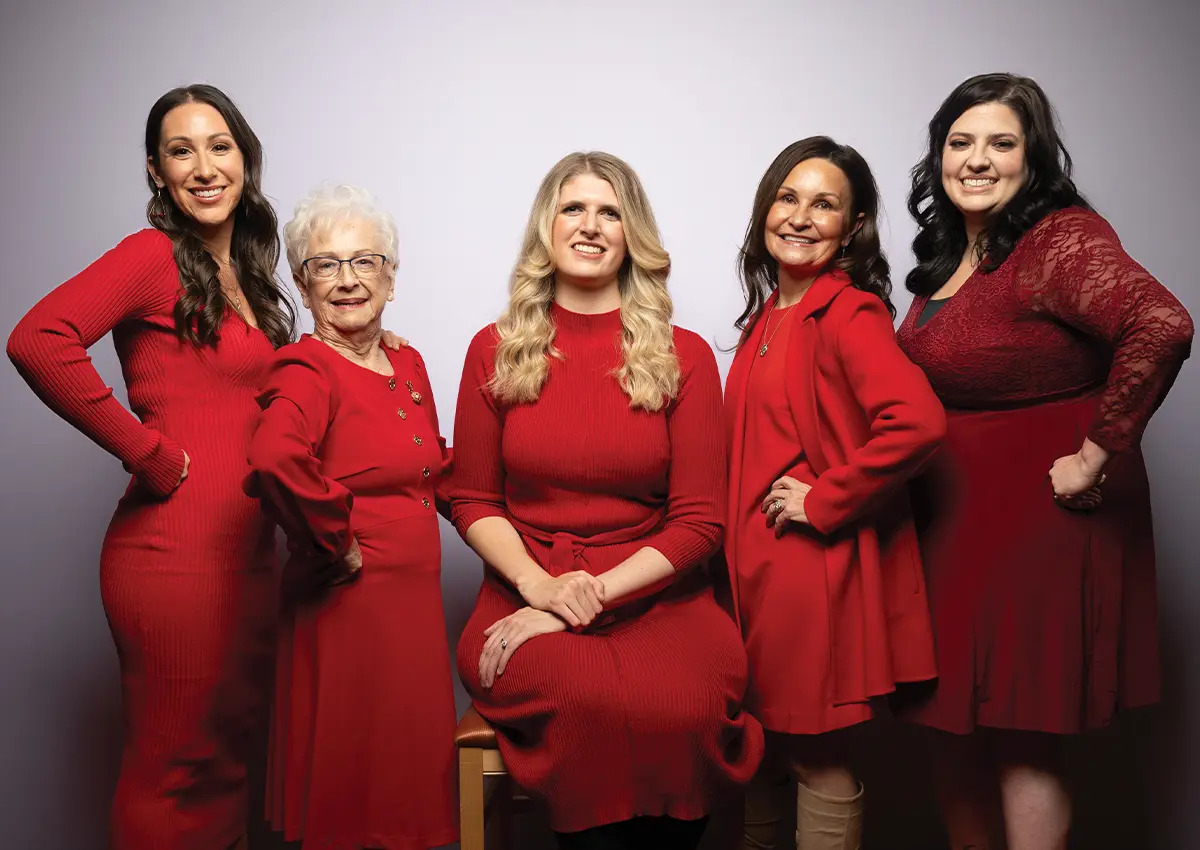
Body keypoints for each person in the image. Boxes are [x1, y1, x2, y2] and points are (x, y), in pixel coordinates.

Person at [895, 72, 1194, 850]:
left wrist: (1096, 457)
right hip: (953, 520)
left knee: (1021, 731)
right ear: (939, 156)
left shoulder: (1060, 238)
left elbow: (1161, 323)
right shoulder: (951, 256)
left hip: (1033, 521)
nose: (978, 159)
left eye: (1002, 142)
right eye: (961, 142)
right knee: (948, 726)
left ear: (1035, 158)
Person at [6, 84, 295, 850]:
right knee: (174, 767)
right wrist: (148, 452)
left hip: (250, 556)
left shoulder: (251, 276)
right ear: (156, 172)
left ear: (245, 159)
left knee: (229, 763)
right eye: (181, 150)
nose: (204, 166)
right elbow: (38, 339)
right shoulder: (151, 256)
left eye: (220, 146)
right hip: (174, 555)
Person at [450, 151, 764, 850]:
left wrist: (588, 596)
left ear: (632, 235)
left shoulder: (683, 353)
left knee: (687, 706)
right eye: (573, 208)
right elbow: (471, 498)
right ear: (546, 227)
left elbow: (699, 522)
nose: (590, 226)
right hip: (523, 592)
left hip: (658, 592)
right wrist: (541, 592)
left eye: (609, 212)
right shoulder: (493, 350)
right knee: (585, 703)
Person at [724, 137, 944, 850]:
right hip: (746, 576)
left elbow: (916, 424)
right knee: (758, 747)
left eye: (824, 205)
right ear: (765, 210)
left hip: (804, 576)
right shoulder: (765, 318)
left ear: (852, 228)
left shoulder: (848, 312)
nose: (800, 216)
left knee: (817, 754)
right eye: (788, 197)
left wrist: (823, 500)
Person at [246, 184, 457, 849]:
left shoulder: (408, 362)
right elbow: (275, 457)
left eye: (364, 262)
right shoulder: (306, 367)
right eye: (324, 265)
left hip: (413, 615)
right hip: (350, 615)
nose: (347, 280)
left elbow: (434, 466)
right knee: (357, 802)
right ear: (303, 289)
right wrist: (334, 541)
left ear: (391, 278)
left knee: (408, 794)